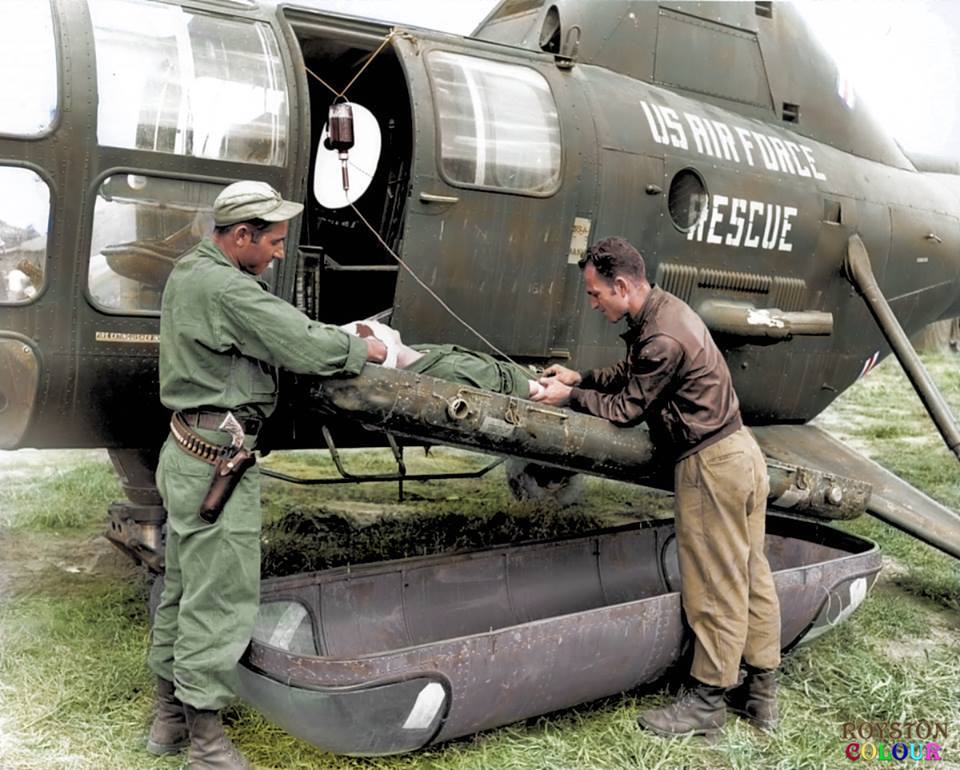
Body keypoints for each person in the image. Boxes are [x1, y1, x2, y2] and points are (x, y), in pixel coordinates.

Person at [146, 180, 386, 769]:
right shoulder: (227, 288)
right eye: (274, 241)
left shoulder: (192, 270)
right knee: (220, 598)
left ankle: (168, 719)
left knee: (184, 586)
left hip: (188, 452)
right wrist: (363, 350)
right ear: (242, 236)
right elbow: (298, 341)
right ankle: (205, 744)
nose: (280, 252)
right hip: (217, 463)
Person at [532, 236, 781, 737]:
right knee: (753, 575)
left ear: (621, 285)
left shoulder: (662, 334)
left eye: (596, 293)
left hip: (710, 466)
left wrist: (569, 396)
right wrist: (583, 376)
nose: (593, 302)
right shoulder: (665, 312)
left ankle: (707, 704)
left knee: (713, 586)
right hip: (741, 454)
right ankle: (761, 697)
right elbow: (636, 372)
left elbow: (627, 410)